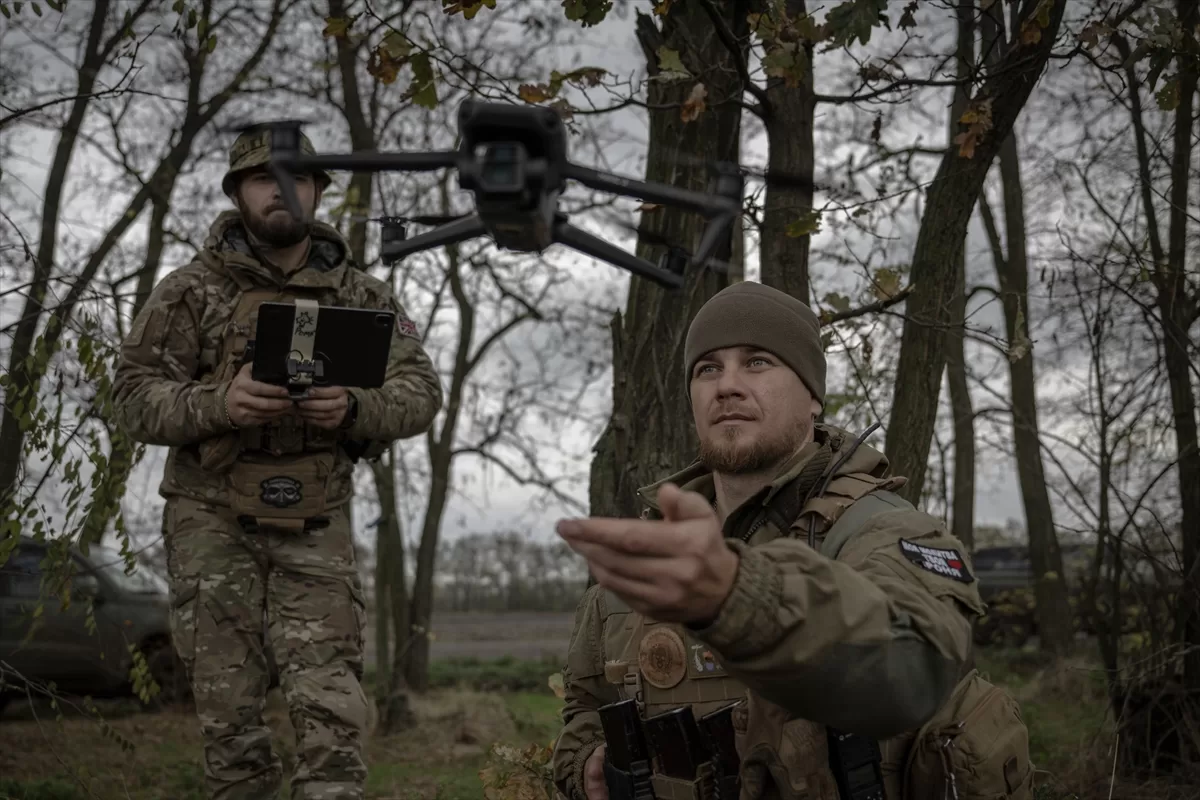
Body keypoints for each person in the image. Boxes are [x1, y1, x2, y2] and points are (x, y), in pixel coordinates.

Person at [551, 281, 1031, 800]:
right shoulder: (654, 551)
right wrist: (586, 764)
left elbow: (914, 671)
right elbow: (586, 704)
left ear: (813, 397)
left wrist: (737, 595)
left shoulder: (885, 531)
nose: (727, 385)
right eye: (707, 368)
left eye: (757, 362)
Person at [112, 126, 444, 800]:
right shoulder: (187, 292)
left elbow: (420, 392)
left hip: (317, 518)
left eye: (298, 178)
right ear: (238, 193)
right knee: (229, 719)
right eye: (264, 178)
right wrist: (219, 403)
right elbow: (129, 397)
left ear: (318, 191)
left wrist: (353, 407)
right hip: (211, 518)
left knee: (332, 719)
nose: (281, 190)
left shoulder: (364, 296)